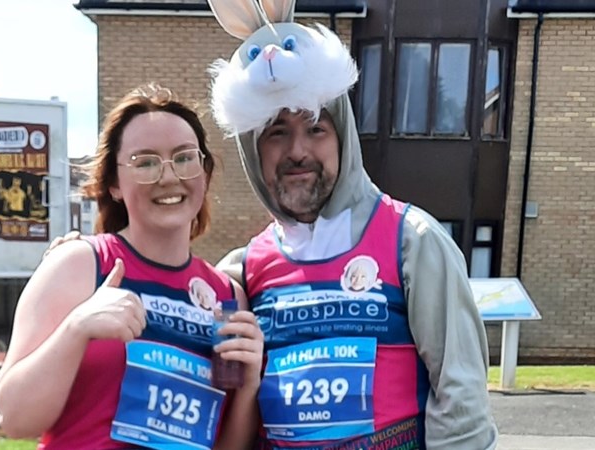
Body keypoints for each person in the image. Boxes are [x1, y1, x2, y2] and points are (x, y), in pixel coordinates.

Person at [206, 0, 499, 448]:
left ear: (343, 135)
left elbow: (461, 404)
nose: (297, 151)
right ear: (253, 150)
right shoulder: (240, 273)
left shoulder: (413, 242)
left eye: (315, 128)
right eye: (277, 132)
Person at [0, 84, 264, 450]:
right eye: (145, 162)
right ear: (114, 184)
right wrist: (76, 328)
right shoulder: (78, 264)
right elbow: (15, 418)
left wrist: (248, 388)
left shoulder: (226, 298)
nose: (168, 177)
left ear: (205, 173)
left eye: (184, 157)